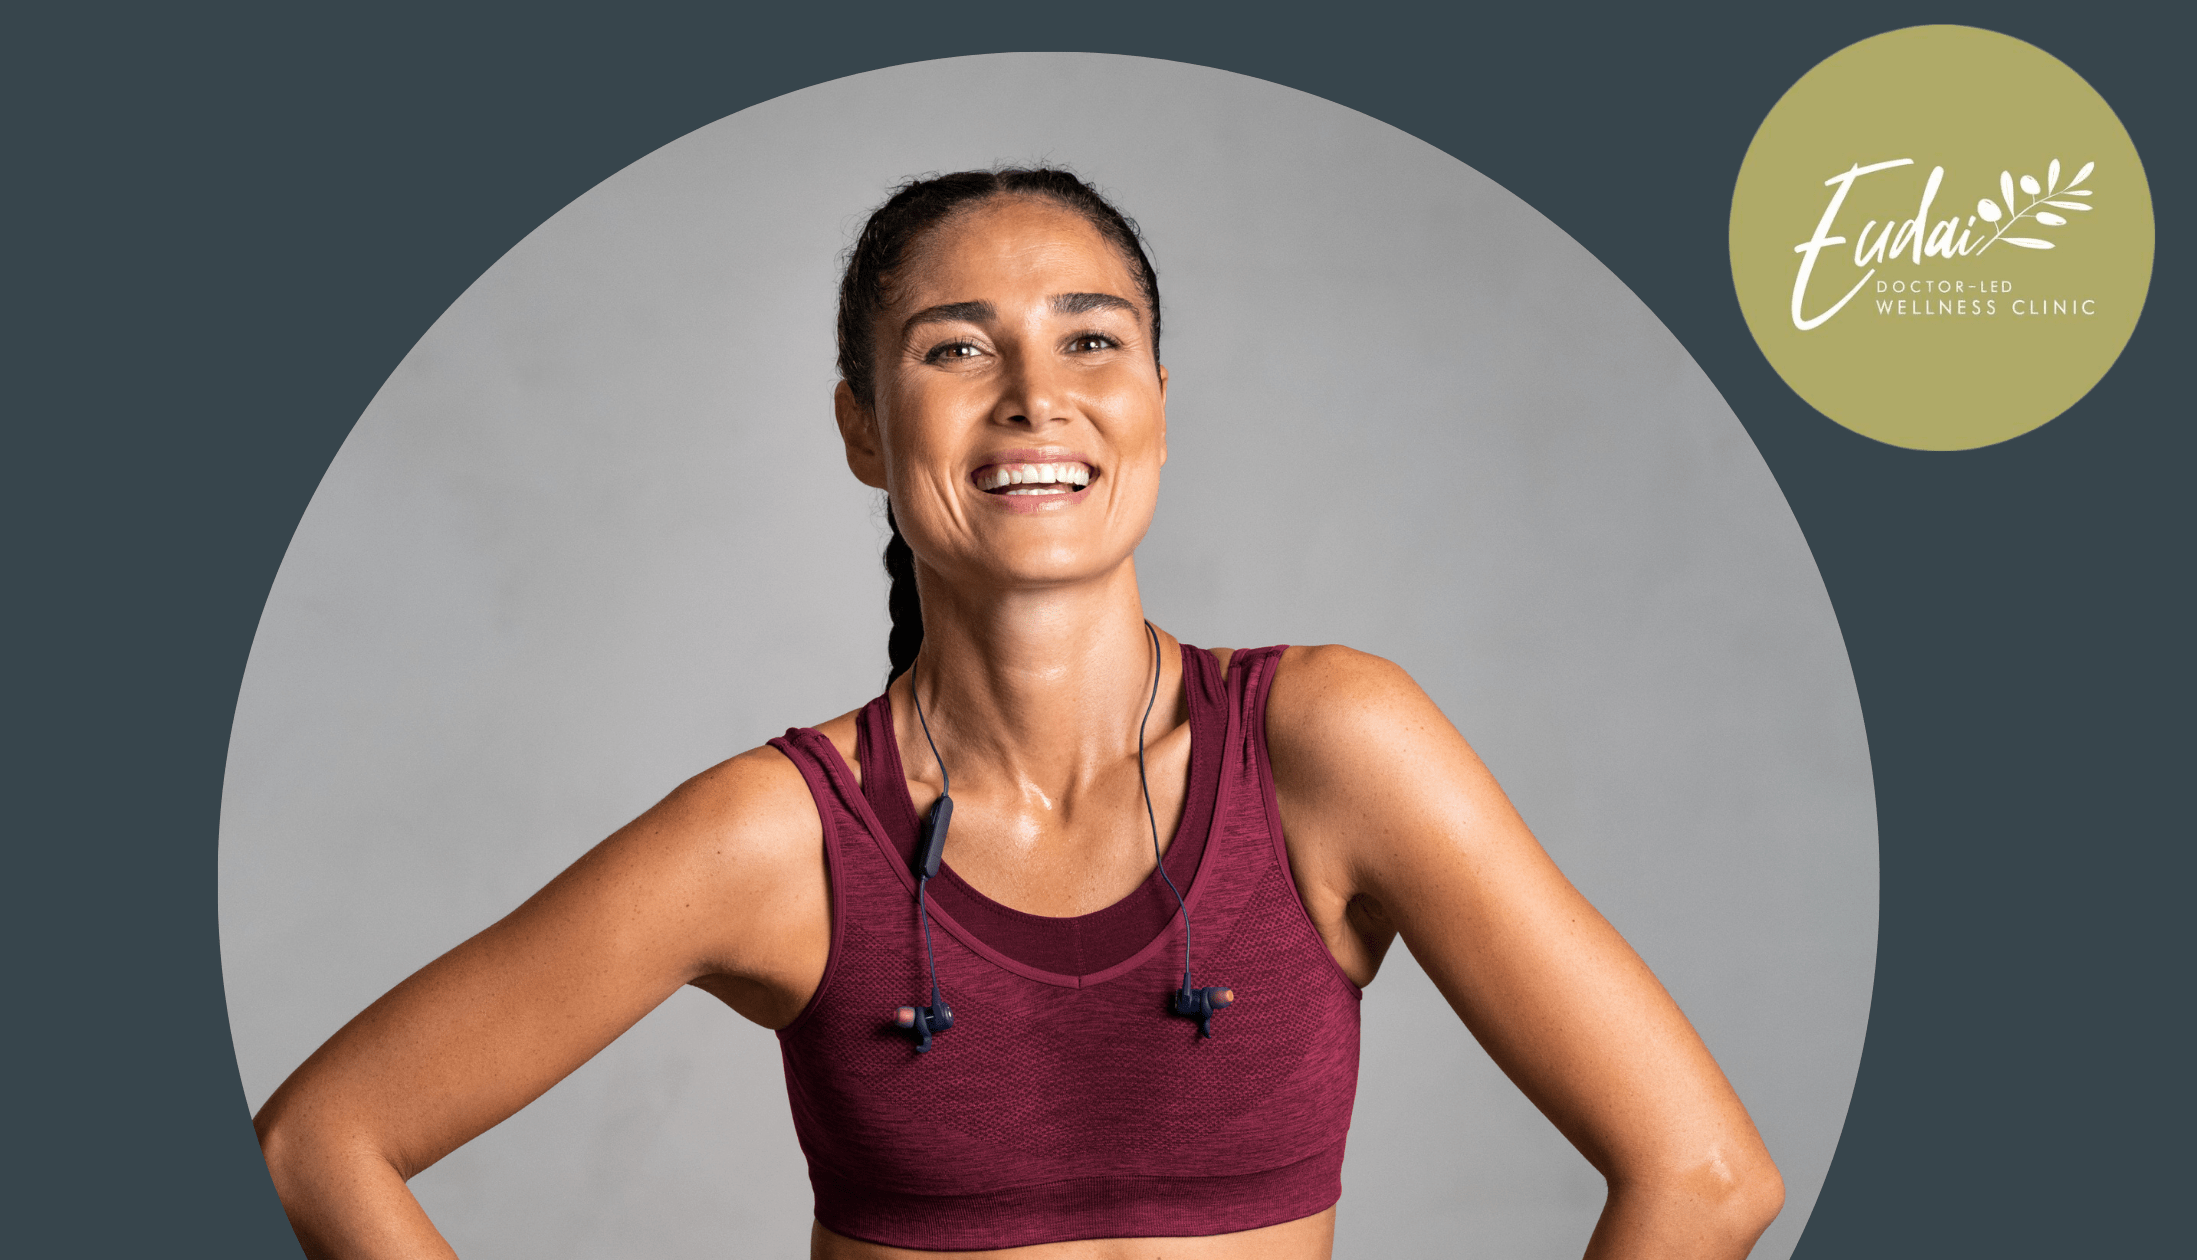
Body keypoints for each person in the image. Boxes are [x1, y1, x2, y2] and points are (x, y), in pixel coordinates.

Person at [253, 167, 1785, 1259]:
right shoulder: (780, 838)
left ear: (1160, 408)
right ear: (864, 428)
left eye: (1090, 337)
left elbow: (1705, 1179)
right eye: (956, 348)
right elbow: (322, 1142)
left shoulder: (1329, 745)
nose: (1033, 395)